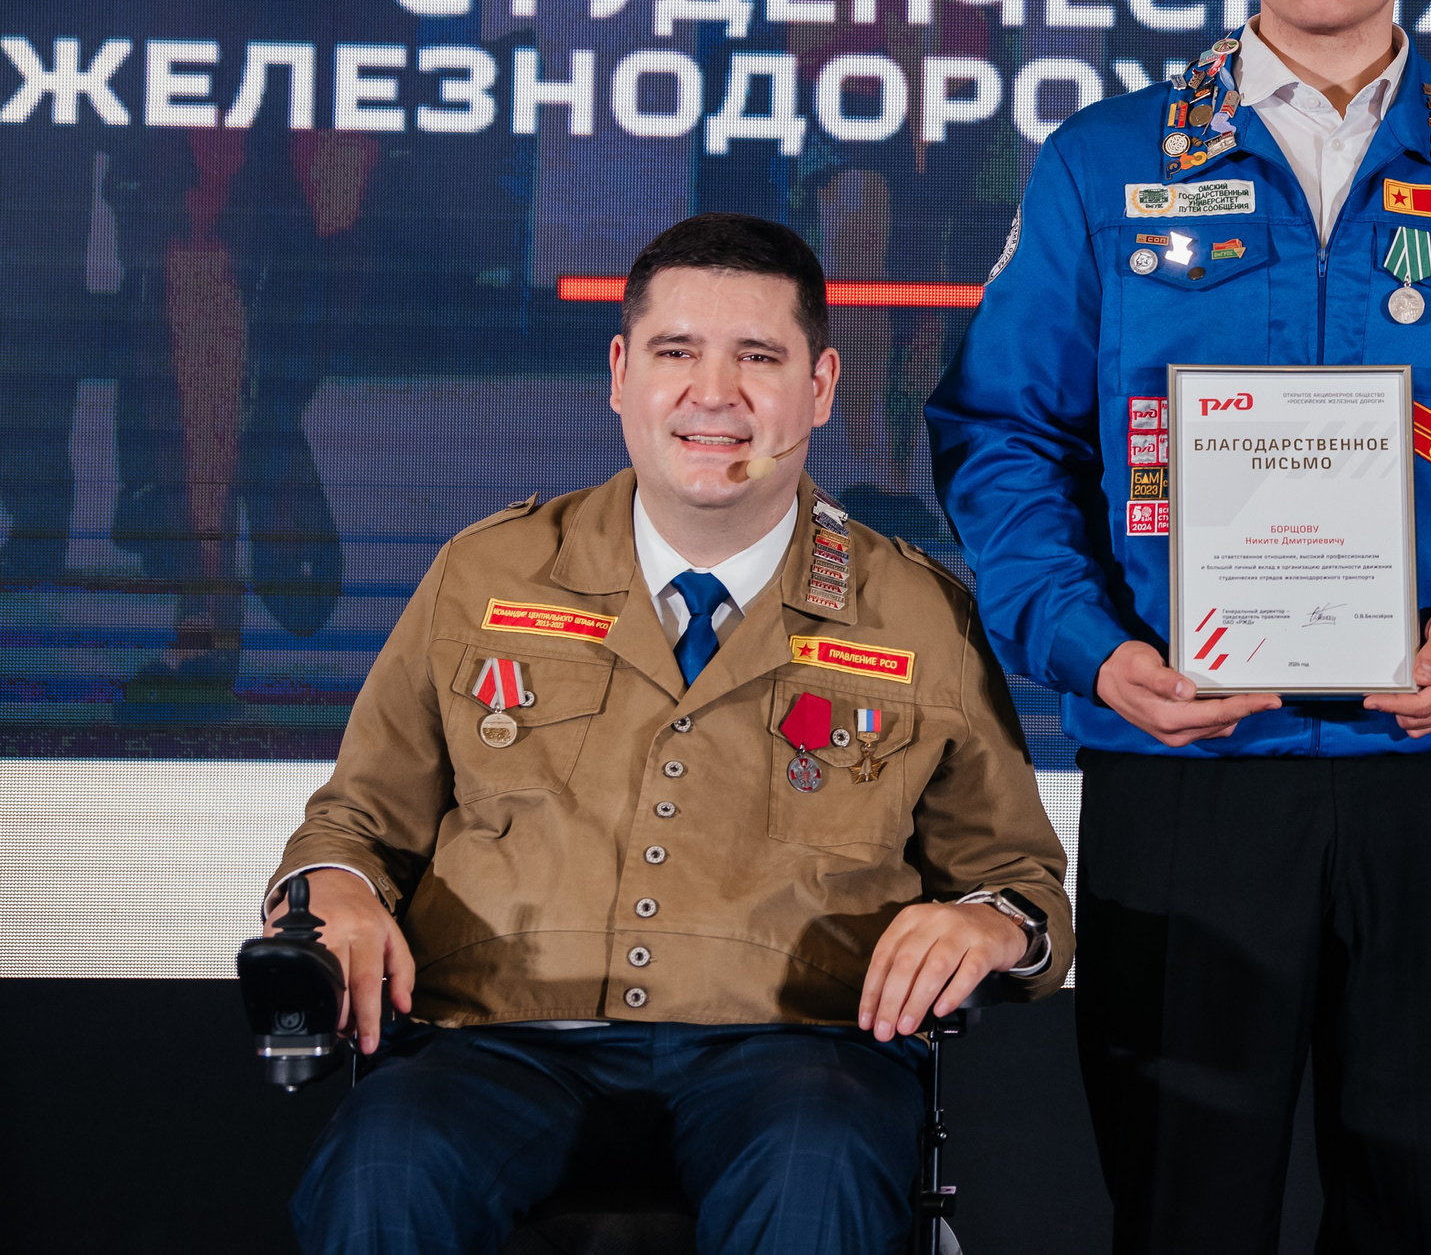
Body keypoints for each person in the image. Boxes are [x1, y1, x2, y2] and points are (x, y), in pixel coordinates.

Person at [927, 0, 1431, 1254]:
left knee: (1426, 1209)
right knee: (1182, 1210)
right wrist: (1090, 651)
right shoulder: (1105, 163)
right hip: (1187, 755)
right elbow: (999, 432)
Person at [270, 212, 1071, 1255]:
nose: (714, 393)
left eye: (759, 357)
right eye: (676, 352)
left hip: (793, 1049)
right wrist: (331, 887)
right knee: (384, 1166)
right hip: (496, 1040)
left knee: (815, 1167)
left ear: (821, 385)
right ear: (619, 371)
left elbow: (1018, 878)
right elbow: (355, 821)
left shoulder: (915, 610)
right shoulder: (487, 573)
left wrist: (989, 923)